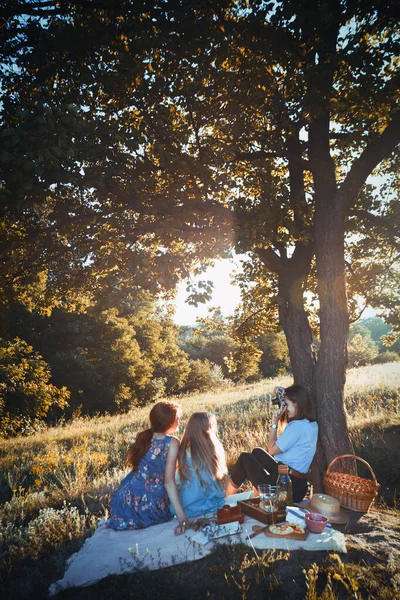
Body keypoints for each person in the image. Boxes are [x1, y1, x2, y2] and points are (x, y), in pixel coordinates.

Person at [107, 400, 188, 535]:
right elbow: (168, 482)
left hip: (124, 501)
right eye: (177, 418)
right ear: (169, 422)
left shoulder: (143, 436)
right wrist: (183, 519)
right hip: (149, 505)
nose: (179, 421)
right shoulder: (172, 442)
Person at [226, 384, 318, 503]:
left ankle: (226, 498)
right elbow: (277, 389)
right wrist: (281, 393)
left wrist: (275, 422)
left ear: (297, 404)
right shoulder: (311, 424)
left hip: (286, 486)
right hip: (297, 484)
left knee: (244, 458)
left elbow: (272, 450)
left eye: (287, 405)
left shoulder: (297, 427)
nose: (284, 408)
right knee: (257, 452)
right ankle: (257, 492)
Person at [172, 412, 228, 518]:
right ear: (209, 429)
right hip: (207, 506)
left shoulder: (182, 450)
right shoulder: (210, 452)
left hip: (187, 507)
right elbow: (214, 487)